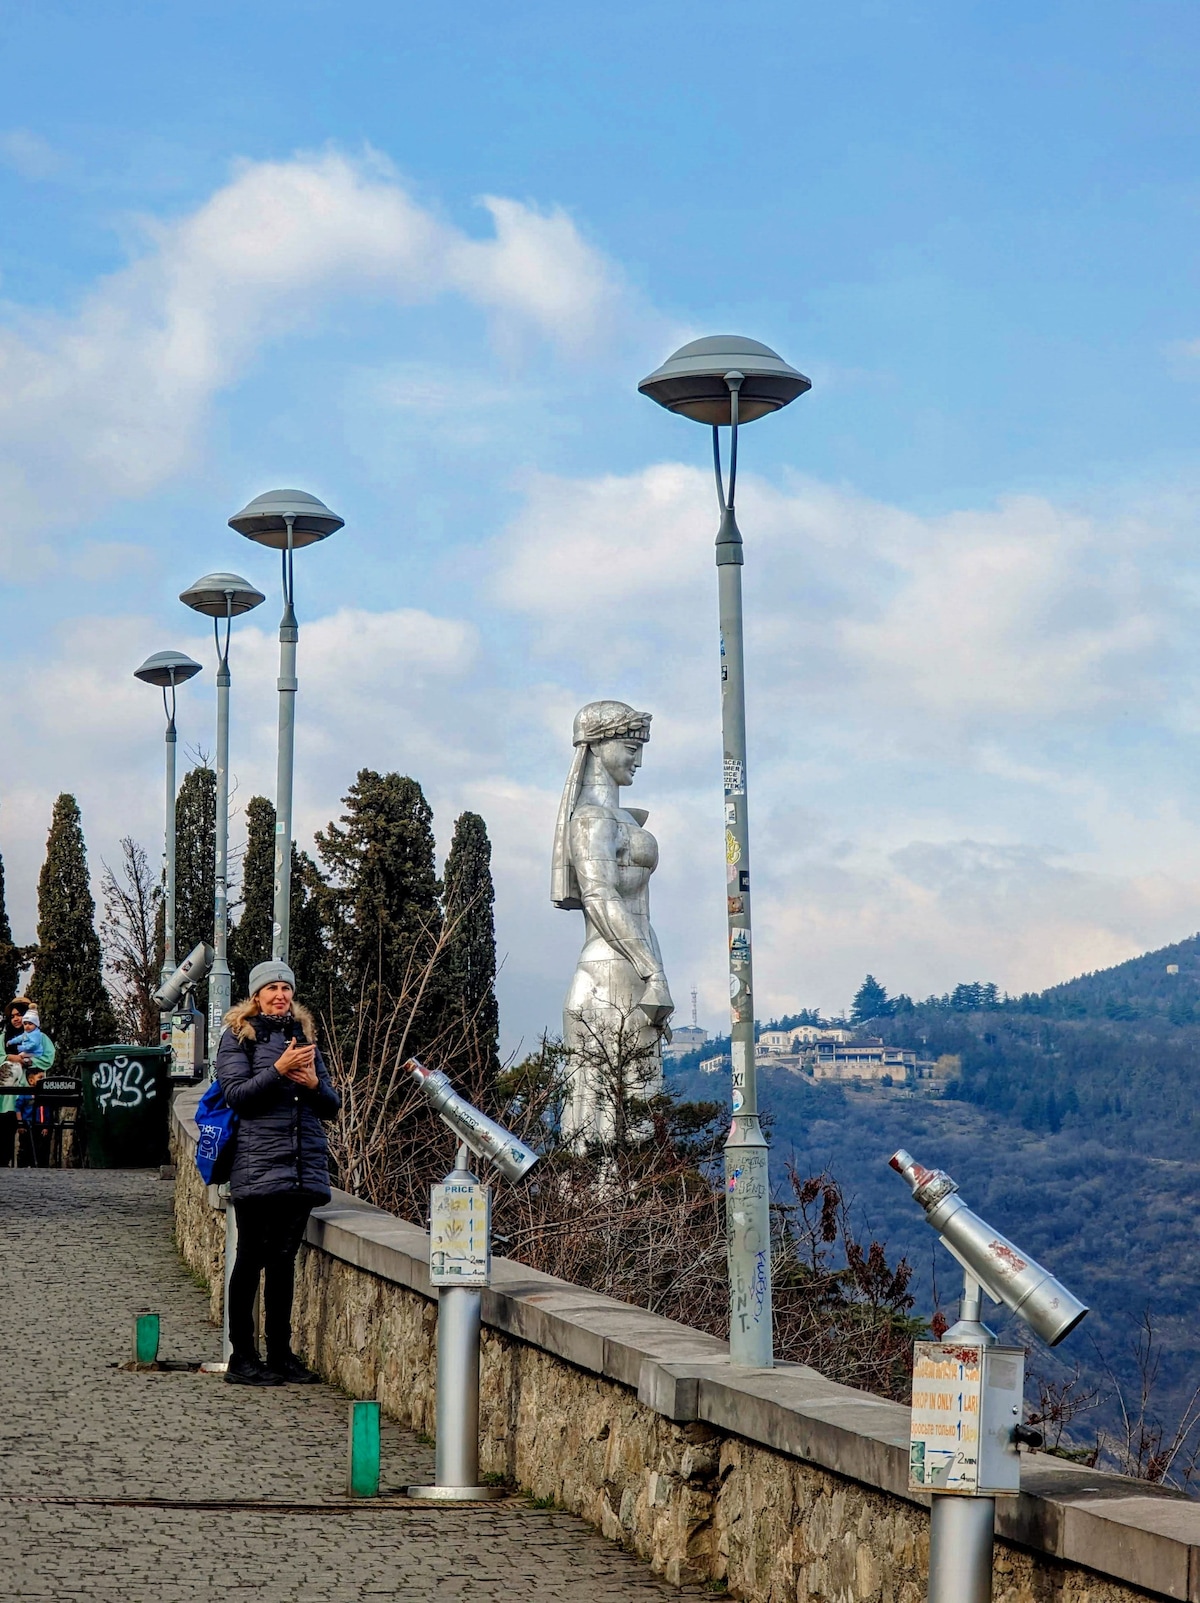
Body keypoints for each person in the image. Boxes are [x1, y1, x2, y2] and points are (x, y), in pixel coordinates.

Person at [215, 961, 340, 1387]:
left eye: (286, 987)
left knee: (284, 1261)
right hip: (256, 1163)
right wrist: (278, 1070)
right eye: (272, 988)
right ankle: (242, 1357)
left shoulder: (304, 1036)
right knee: (250, 1258)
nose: (280, 994)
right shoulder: (238, 1037)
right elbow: (237, 1097)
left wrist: (311, 1084)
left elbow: (331, 1107)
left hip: (301, 1166)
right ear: (256, 996)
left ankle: (281, 1354)